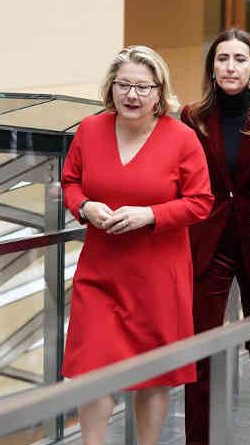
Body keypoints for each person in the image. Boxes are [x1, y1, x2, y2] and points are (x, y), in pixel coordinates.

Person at [61, 46, 213, 445]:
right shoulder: (89, 129)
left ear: (160, 92)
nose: (132, 95)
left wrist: (151, 215)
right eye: (124, 85)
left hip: (157, 275)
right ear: (110, 88)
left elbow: (201, 202)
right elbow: (70, 183)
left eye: (143, 87)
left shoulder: (181, 139)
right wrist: (85, 206)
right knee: (91, 368)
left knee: (152, 372)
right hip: (100, 271)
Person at [181, 28, 250, 445]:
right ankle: (197, 437)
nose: (230, 66)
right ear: (212, 66)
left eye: (239, 59)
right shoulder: (192, 117)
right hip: (209, 241)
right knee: (201, 344)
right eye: (222, 58)